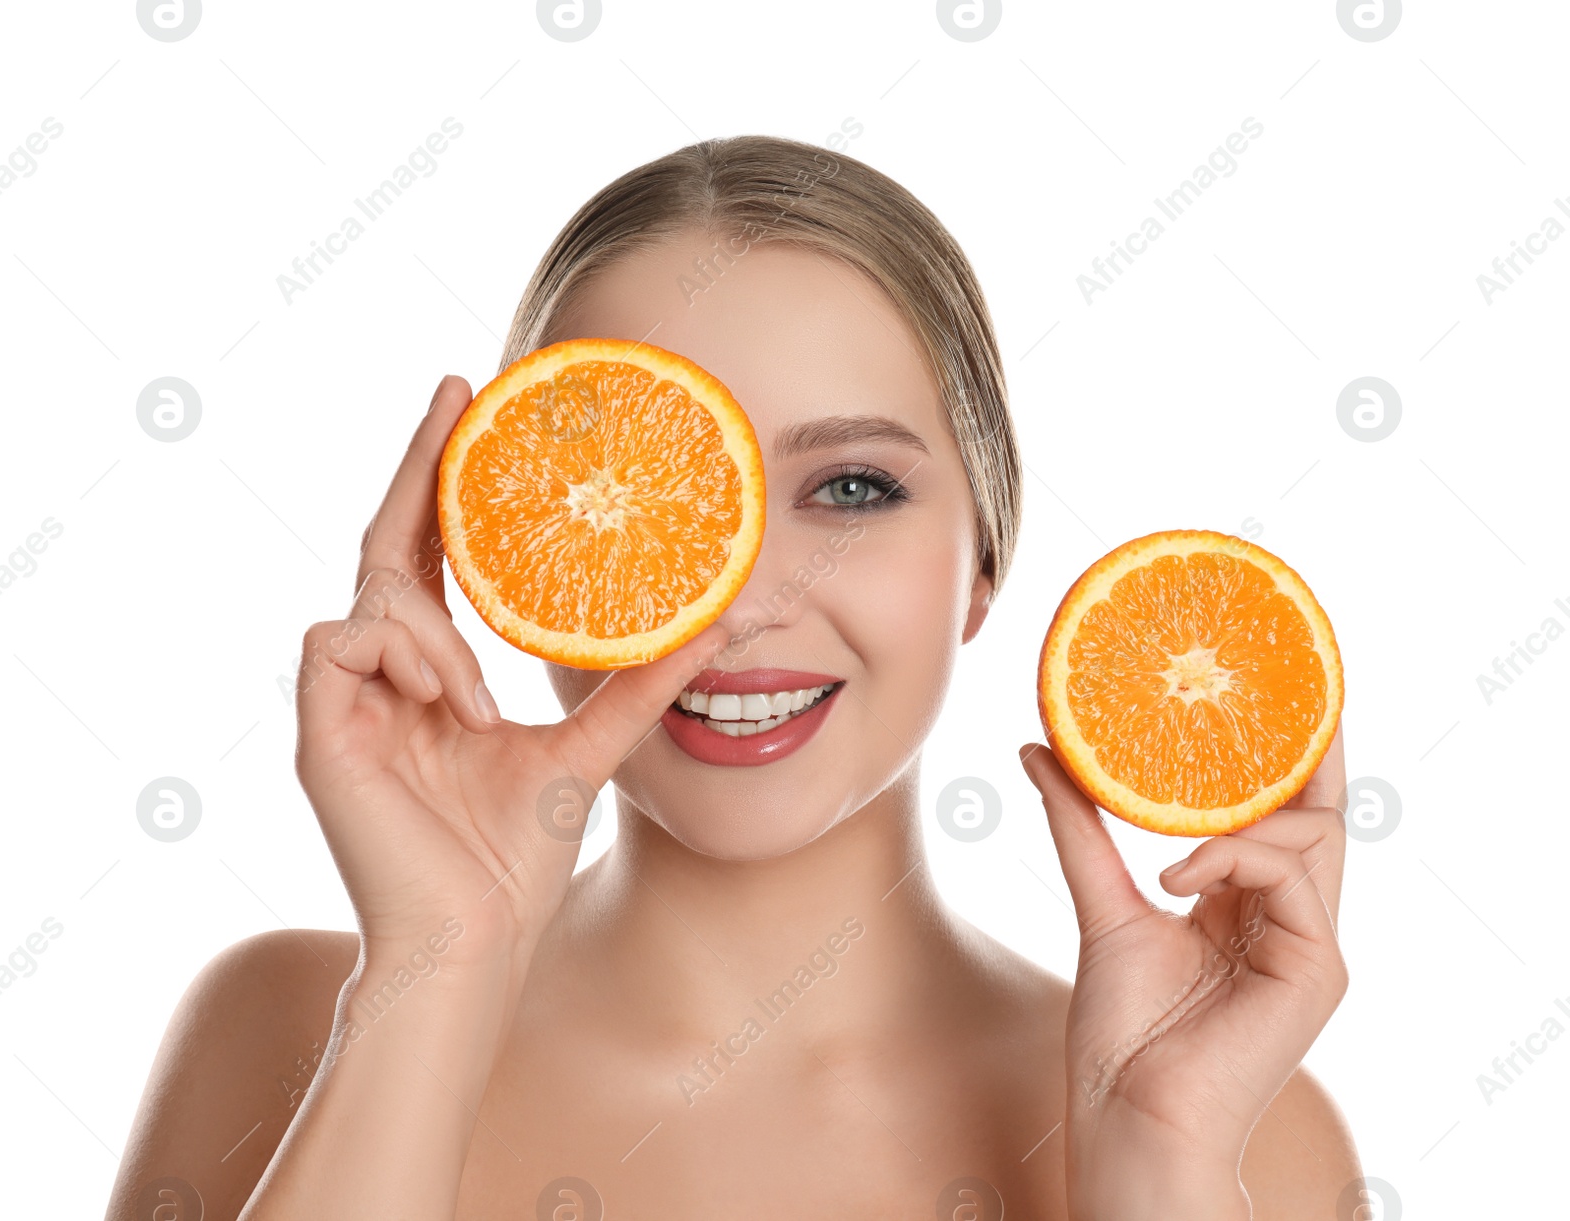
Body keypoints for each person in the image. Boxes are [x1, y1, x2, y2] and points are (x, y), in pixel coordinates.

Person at [105, 135, 1359, 1220]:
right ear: (507, 542)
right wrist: (440, 969)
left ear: (984, 561)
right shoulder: (280, 1030)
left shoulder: (1249, 1126)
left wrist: (1160, 1160)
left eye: (851, 489)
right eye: (641, 501)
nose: (742, 605)